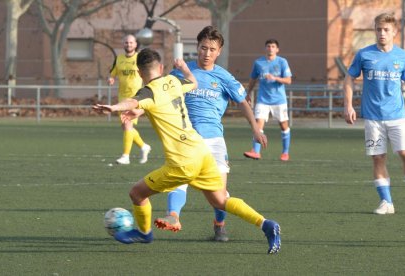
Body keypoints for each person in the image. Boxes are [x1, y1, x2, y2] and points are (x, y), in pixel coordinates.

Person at [93, 48, 281, 254]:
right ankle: (266, 224)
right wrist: (183, 68)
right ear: (162, 68)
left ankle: (144, 233)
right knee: (220, 200)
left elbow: (134, 100)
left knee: (137, 194)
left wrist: (114, 108)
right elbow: (193, 82)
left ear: (138, 73)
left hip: (183, 160)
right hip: (202, 152)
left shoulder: (148, 91)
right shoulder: (173, 82)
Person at [153, 26, 265, 242]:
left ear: (219, 51)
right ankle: (173, 216)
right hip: (185, 137)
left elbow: (243, 102)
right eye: (203, 48)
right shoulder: (181, 72)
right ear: (197, 47)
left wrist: (255, 128)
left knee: (219, 191)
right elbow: (161, 94)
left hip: (214, 139)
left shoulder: (224, 77)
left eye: (212, 49)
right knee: (179, 179)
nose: (206, 53)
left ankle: (219, 225)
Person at [344, 13, 405, 215]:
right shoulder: (364, 54)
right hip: (373, 117)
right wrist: (349, 105)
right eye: (378, 29)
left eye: (386, 30)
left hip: (397, 116)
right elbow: (349, 78)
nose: (382, 33)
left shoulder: (402, 56)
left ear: (394, 32)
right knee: (378, 158)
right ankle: (386, 202)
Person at [243, 39, 292, 161]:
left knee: (284, 125)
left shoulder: (282, 62)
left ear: (277, 49)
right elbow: (253, 79)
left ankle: (285, 153)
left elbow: (288, 80)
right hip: (262, 99)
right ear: (265, 48)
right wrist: (248, 93)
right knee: (258, 124)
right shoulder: (259, 63)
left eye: (273, 46)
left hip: (279, 100)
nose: (270, 48)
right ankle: (256, 151)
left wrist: (275, 78)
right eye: (268, 46)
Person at [108, 34, 151, 165]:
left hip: (135, 97)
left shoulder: (139, 58)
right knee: (126, 126)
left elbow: (148, 73)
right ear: (123, 44)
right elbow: (113, 73)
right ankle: (144, 146)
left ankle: (126, 156)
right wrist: (111, 78)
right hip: (122, 96)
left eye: (131, 43)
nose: (128, 45)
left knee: (127, 124)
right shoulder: (119, 58)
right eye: (126, 42)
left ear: (135, 44)